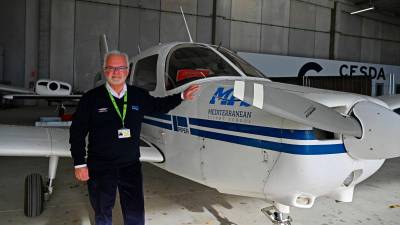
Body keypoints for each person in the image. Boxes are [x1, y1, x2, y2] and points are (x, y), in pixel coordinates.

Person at [69, 50, 199, 225]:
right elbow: (77, 131)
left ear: (127, 71)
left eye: (121, 68)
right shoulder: (91, 98)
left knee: (135, 211)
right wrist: (79, 163)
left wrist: (182, 96)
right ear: (104, 71)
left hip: (130, 165)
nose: (116, 73)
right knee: (102, 211)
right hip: (100, 165)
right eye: (111, 68)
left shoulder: (138, 95)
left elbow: (159, 106)